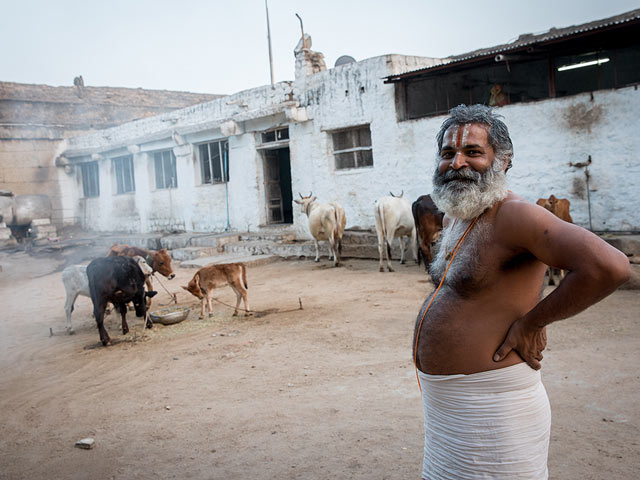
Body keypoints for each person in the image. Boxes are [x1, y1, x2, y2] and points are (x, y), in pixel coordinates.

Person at [412, 104, 629, 479]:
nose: (457, 162)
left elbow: (610, 266)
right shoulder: (454, 216)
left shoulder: (515, 215)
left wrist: (532, 323)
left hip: (495, 414)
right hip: (446, 412)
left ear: (504, 161)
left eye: (473, 152)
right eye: (448, 153)